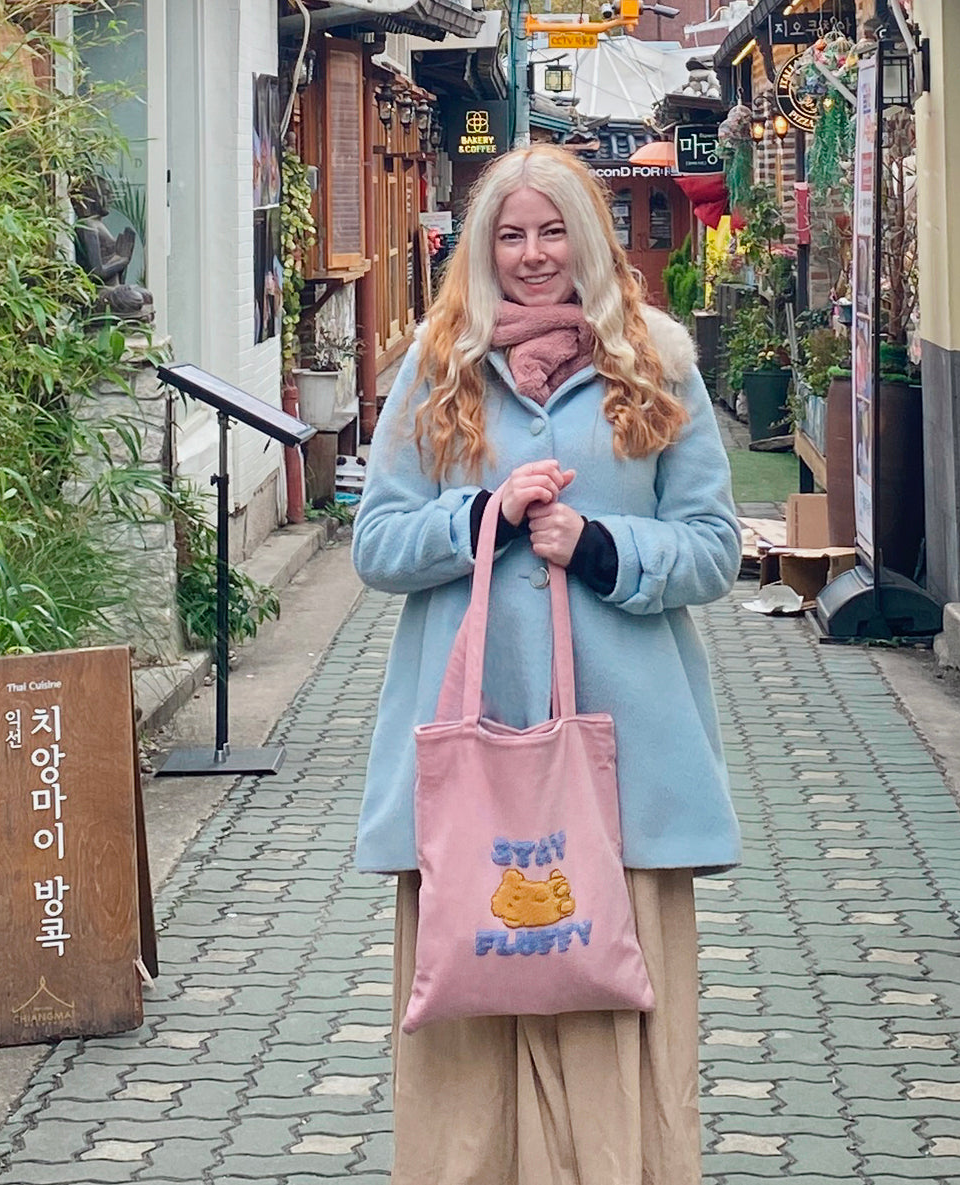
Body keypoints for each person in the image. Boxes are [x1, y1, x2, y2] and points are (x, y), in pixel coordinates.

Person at [351, 143, 742, 1185]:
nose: (531, 256)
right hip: (467, 763)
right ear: (481, 249)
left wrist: (602, 547)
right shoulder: (437, 364)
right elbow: (377, 543)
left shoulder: (657, 358)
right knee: (463, 1038)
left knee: (614, 1023)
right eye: (509, 235)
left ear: (591, 235)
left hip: (622, 769)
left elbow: (713, 545)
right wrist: (487, 518)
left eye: (552, 230)